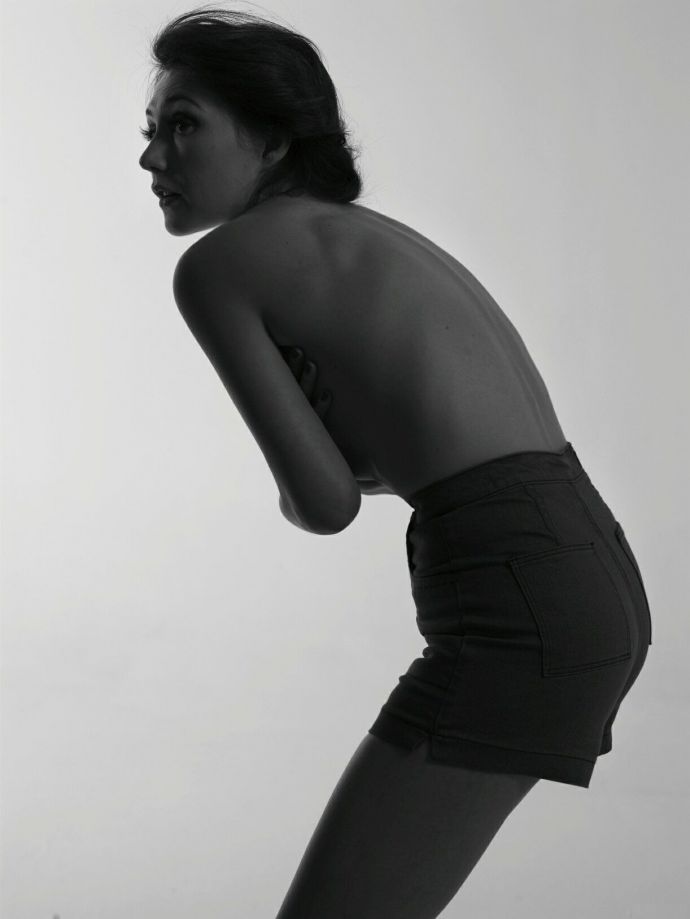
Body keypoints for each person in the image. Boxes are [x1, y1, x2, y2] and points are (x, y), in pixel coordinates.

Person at [139, 8, 653, 918]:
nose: (152, 158)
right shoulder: (363, 235)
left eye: (184, 124)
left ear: (272, 138)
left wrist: (324, 464)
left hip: (514, 602)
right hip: (587, 567)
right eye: (150, 130)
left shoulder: (219, 268)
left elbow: (325, 504)